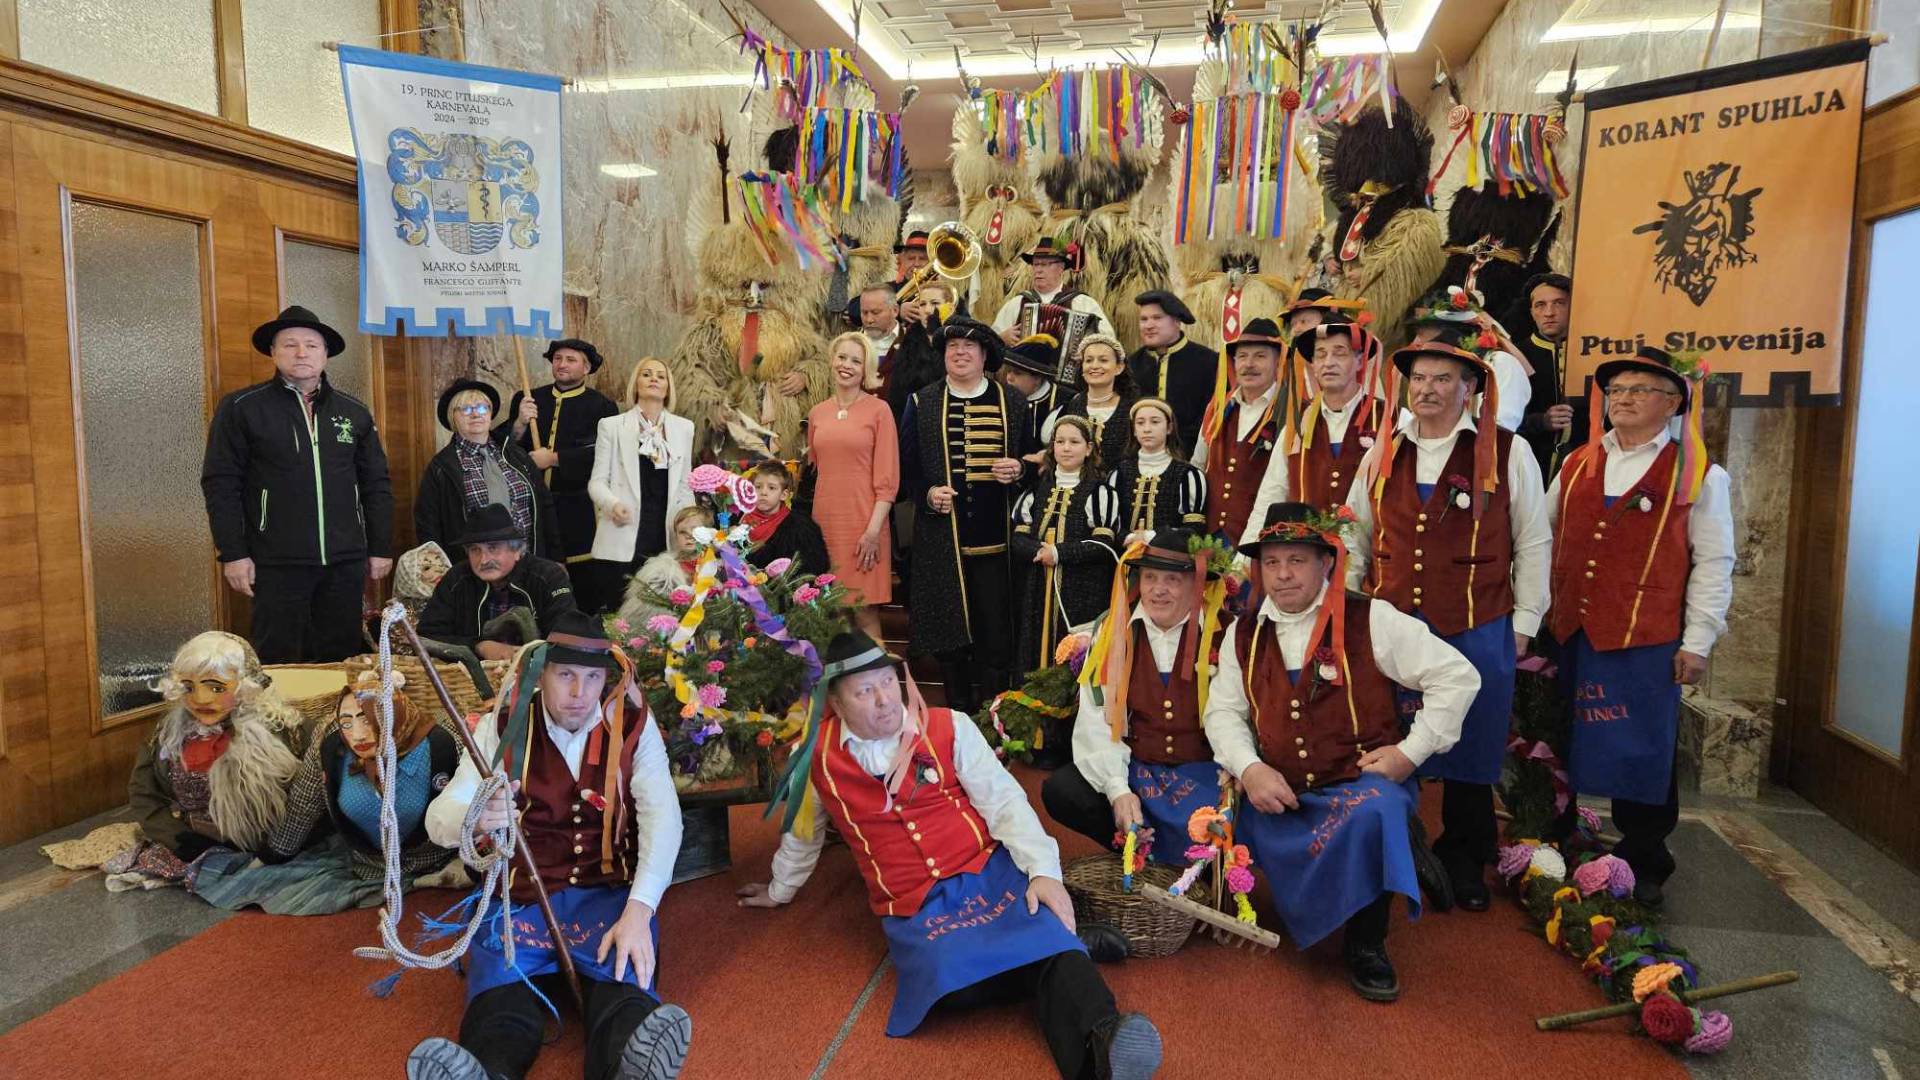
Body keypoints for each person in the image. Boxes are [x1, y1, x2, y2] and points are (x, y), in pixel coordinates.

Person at [741, 630, 1163, 1080]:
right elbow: (802, 835)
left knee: (1047, 934)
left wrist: (1043, 872)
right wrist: (779, 888)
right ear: (837, 704)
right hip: (913, 900)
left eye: (887, 682)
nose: (884, 700)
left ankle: (1104, 1039)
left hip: (987, 869)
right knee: (947, 986)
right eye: (864, 692)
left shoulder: (949, 726)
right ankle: (1059, 945)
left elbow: (1005, 803)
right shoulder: (816, 759)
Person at [1205, 503, 1480, 1000]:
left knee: (1375, 815)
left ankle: (1367, 941)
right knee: (1207, 813)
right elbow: (1223, 712)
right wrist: (1250, 768)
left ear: (1326, 562)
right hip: (1282, 788)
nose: (1282, 575)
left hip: (1357, 783)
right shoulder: (1242, 634)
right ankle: (1384, 860)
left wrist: (1409, 753)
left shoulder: (1371, 618)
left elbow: (1457, 676)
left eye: (1297, 560)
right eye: (1271, 562)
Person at [409, 612, 692, 1080]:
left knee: (623, 992)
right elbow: (440, 816)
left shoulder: (633, 727)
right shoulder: (501, 727)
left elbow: (664, 818)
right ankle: (487, 1071)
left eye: (592, 678)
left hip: (606, 895)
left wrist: (640, 912)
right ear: (541, 674)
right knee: (501, 1007)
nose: (580, 693)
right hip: (519, 898)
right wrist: (474, 816)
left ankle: (628, 1067)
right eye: (565, 676)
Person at [1343, 340, 1551, 911]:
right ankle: (1400, 849)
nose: (1427, 390)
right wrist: (1353, 606)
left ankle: (1465, 854)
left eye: (1442, 379)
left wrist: (1524, 622)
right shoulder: (1383, 450)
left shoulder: (1508, 451)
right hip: (1392, 621)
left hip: (1475, 618)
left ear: (1470, 388)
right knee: (1387, 733)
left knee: (1472, 741)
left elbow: (1534, 540)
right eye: (1419, 379)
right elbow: (1355, 533)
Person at [1545, 347, 1733, 907]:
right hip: (1570, 628)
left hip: (1644, 635)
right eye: (1617, 390)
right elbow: (1541, 535)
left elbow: (1714, 561)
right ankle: (1552, 837)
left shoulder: (1699, 473)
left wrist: (1698, 641)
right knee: (1560, 738)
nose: (1623, 399)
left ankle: (1646, 857)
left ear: (1672, 403)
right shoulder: (1576, 463)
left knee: (1643, 746)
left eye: (1639, 390)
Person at [201, 305, 394, 662]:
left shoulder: (353, 412)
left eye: (311, 345)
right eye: (290, 345)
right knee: (280, 658)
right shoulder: (242, 408)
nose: (301, 353)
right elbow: (221, 484)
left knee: (342, 657)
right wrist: (234, 554)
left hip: (344, 561)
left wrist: (380, 547)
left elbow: (376, 483)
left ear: (325, 354)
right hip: (275, 561)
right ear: (273, 352)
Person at [194, 671, 464, 915]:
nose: (358, 735)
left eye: (369, 720)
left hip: (433, 860)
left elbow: (475, 800)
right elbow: (305, 801)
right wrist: (272, 855)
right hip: (367, 865)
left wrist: (472, 863)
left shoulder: (442, 741)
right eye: (347, 722)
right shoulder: (331, 743)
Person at [1041, 530, 1223, 868]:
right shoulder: (1114, 631)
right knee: (1062, 790)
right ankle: (1140, 855)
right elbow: (1097, 718)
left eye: (1172, 579)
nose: (1157, 589)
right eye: (1150, 577)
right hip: (1139, 771)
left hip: (1205, 773)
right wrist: (1118, 790)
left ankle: (1202, 865)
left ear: (1196, 584)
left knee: (1248, 809)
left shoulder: (1223, 632)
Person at [899, 316, 1035, 713]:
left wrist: (1019, 469)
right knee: (949, 630)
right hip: (942, 537)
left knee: (997, 630)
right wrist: (927, 494)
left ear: (985, 355)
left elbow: (1033, 461)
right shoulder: (922, 401)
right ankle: (957, 709)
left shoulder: (1013, 401)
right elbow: (907, 466)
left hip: (999, 542)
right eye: (952, 347)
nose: (960, 353)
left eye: (968, 347)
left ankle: (994, 714)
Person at [114, 632, 305, 889]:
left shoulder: (283, 730)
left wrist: (280, 845)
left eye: (216, 688)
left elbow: (309, 799)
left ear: (245, 686)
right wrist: (176, 838)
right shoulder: (167, 734)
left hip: (269, 851)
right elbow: (143, 793)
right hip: (193, 848)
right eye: (188, 687)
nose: (201, 699)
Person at [497, 339, 622, 608]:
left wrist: (554, 459)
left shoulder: (602, 406)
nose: (562, 364)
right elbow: (503, 447)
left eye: (570, 360)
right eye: (557, 359)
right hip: (533, 505)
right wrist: (519, 422)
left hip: (578, 508)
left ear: (586, 368)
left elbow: (606, 455)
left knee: (581, 583)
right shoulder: (528, 399)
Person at [1243, 321, 1389, 539]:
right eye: (1320, 354)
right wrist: (1245, 556)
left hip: (1367, 554)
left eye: (1339, 353)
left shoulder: (1391, 420)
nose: (1328, 362)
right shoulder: (1296, 426)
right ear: (1312, 364)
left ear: (1359, 361)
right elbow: (1270, 496)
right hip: (1305, 553)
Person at [1011, 416, 1121, 680]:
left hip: (1081, 590)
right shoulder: (1036, 491)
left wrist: (1059, 553)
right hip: (1039, 587)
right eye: (1060, 442)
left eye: (1074, 442)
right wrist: (1039, 552)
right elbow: (1018, 538)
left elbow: (1103, 544)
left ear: (1089, 448)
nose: (1066, 448)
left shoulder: (1100, 493)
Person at [808, 332, 899, 640]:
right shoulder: (817, 413)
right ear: (832, 361)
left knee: (864, 610)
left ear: (866, 369)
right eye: (842, 357)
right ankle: (838, 676)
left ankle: (880, 674)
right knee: (831, 612)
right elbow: (818, 470)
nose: (846, 365)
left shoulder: (879, 410)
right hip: (825, 525)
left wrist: (872, 532)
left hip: (865, 524)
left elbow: (888, 481)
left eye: (856, 361)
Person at [586, 357, 696, 611]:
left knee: (663, 615)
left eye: (661, 376)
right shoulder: (612, 426)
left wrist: (688, 525)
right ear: (636, 384)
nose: (654, 379)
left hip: (665, 535)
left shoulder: (684, 428)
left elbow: (684, 484)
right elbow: (597, 483)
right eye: (646, 374)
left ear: (668, 388)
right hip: (622, 533)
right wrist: (612, 504)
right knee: (619, 615)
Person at [416, 379, 562, 562]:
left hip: (527, 562)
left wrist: (556, 559)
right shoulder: (442, 467)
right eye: (466, 409)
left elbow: (545, 506)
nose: (475, 414)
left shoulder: (515, 454)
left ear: (490, 413)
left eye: (482, 408)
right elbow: (428, 525)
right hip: (475, 567)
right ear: (453, 417)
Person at [418, 504, 580, 662]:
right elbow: (426, 637)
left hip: (537, 674)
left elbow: (568, 638)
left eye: (493, 548)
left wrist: (529, 655)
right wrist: (478, 646)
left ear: (517, 551)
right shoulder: (456, 579)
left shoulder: (548, 577)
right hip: (470, 676)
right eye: (475, 550)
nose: (484, 560)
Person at [1192, 317, 1284, 541]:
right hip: (1209, 539)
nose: (1249, 364)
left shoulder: (1290, 411)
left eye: (1260, 356)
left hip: (1263, 541)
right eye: (1242, 356)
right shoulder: (1217, 408)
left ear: (1278, 362)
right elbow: (1197, 465)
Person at [1404, 288, 1531, 433]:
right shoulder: (1428, 371)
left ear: (1455, 333)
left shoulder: (1500, 364)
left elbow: (1498, 431)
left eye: (1423, 334)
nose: (1416, 342)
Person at [991, 235, 1112, 381]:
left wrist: (1088, 350)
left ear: (1061, 268)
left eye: (1045, 264)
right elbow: (989, 344)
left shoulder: (1082, 303)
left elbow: (1109, 341)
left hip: (1069, 385)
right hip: (1023, 386)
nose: (1038, 270)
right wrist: (1002, 338)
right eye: (1036, 264)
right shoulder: (1016, 303)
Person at [1123, 291, 1219, 458]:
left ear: (1176, 321)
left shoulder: (1208, 362)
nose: (1148, 325)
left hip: (1194, 457)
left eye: (1157, 318)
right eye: (1144, 319)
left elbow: (1211, 417)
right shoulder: (1131, 364)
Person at [1105, 399, 1206, 548]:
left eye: (1155, 422)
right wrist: (1129, 538)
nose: (1147, 429)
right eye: (1140, 423)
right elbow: (1109, 526)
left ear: (1169, 428)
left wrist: (1151, 537)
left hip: (1168, 559)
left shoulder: (1188, 475)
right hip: (1123, 557)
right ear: (1134, 430)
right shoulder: (1118, 474)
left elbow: (1194, 531)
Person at [1515, 273, 1586, 479]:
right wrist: (1541, 421)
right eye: (1540, 305)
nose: (1549, 313)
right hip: (1532, 464)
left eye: (1559, 303)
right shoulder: (1516, 356)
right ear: (1531, 311)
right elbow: (1500, 420)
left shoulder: (1592, 351)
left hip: (1585, 462)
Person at [1048, 334, 1138, 468]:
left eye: (1103, 360)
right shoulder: (1071, 405)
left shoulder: (1132, 408)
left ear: (1119, 368)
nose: (1094, 366)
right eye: (1089, 360)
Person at [617, 505, 716, 626]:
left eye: (695, 530)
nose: (689, 535)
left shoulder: (716, 566)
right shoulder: (664, 573)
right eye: (682, 532)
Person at [741, 461, 830, 576]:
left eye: (771, 488)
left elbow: (815, 567)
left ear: (784, 495)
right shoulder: (741, 520)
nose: (763, 492)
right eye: (758, 487)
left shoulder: (800, 528)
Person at [1003, 334, 1067, 464]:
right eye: (1008, 371)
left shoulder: (1064, 401)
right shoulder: (1001, 395)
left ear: (1037, 378)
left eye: (1017, 373)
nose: (1009, 378)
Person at [855, 285, 903, 401]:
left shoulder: (913, 343)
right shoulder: (850, 344)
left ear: (895, 311)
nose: (869, 320)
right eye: (864, 313)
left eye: (875, 312)